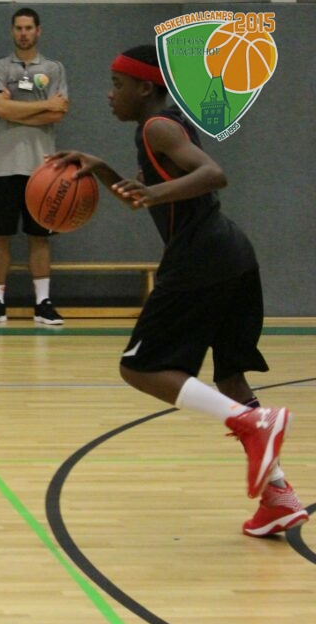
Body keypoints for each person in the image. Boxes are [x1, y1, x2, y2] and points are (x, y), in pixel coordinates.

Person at [47, 45, 307, 537]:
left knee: (138, 367)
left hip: (200, 258)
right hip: (231, 257)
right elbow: (143, 198)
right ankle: (278, 497)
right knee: (230, 378)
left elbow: (213, 175)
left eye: (117, 85)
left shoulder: (157, 127)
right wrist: (103, 170)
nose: (110, 94)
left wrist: (154, 192)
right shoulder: (159, 129)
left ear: (144, 88)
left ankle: (252, 424)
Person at [0, 7, 69, 326]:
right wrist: (42, 106)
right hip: (3, 165)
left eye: (29, 28)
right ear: (12, 31)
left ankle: (43, 303)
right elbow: (0, 109)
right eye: (18, 28)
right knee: (0, 235)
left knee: (39, 236)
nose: (23, 33)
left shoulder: (54, 68)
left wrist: (14, 108)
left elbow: (59, 114)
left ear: (38, 31)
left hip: (43, 167)